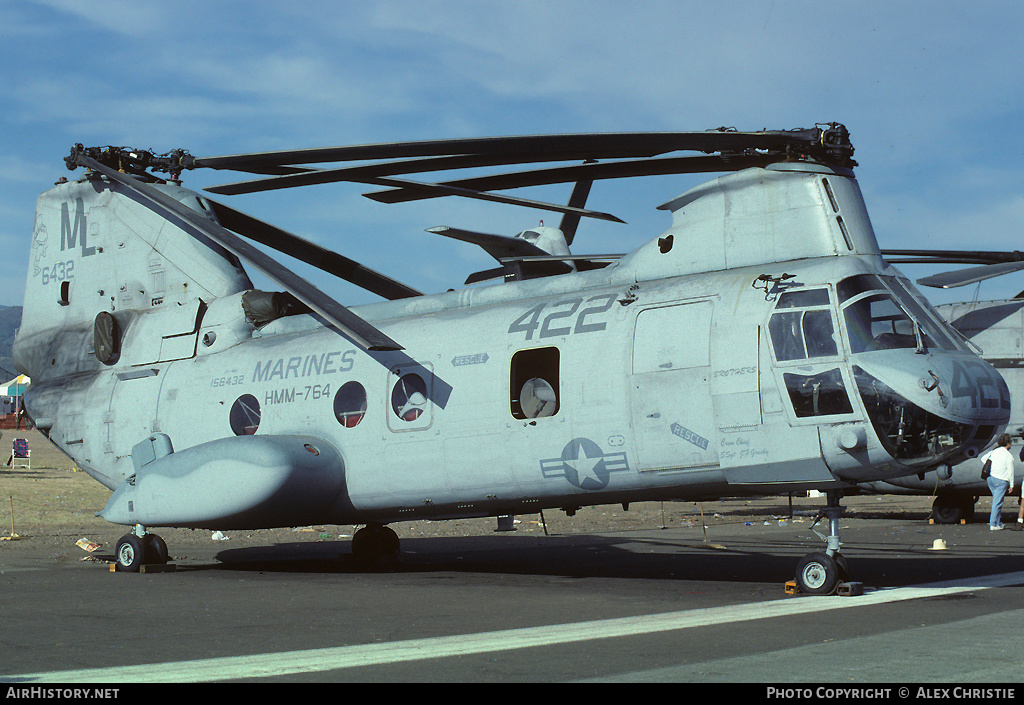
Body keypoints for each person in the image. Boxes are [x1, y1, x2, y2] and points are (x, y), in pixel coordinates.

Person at [982, 433, 1015, 530]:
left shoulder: (994, 451)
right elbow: (1011, 472)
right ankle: (993, 524)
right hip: (1001, 481)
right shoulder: (1008, 456)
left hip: (991, 479)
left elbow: (983, 459)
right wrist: (1012, 485)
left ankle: (998, 522)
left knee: (997, 501)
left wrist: (993, 466)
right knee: (997, 503)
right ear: (1008, 443)